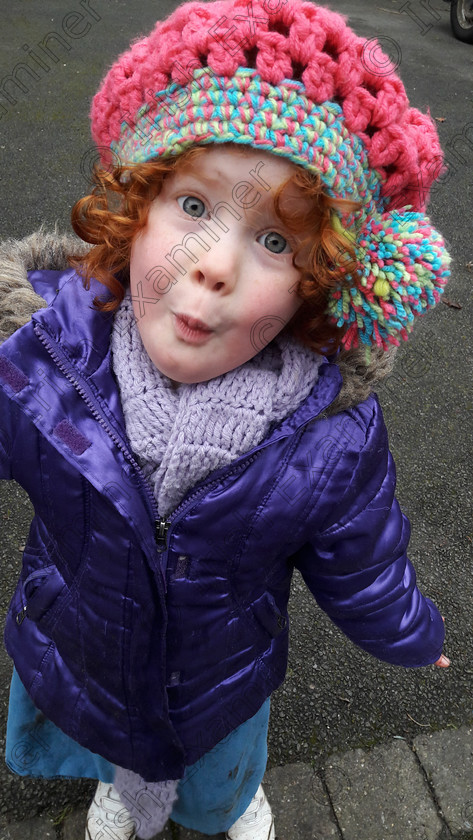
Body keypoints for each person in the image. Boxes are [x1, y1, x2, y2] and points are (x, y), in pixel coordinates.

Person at [0, 0, 452, 838]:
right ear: (135, 214)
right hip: (85, 642)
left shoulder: (330, 436)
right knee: (111, 743)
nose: (211, 267)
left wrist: (407, 631)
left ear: (319, 281)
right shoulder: (38, 358)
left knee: (216, 769)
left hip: (220, 676)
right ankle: (117, 790)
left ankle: (234, 797)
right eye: (194, 208)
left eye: (276, 243)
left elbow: (360, 557)